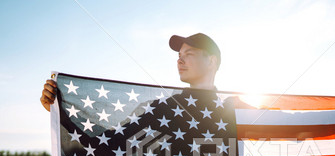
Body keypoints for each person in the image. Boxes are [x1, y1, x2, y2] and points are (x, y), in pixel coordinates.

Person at [40, 33, 221, 111]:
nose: (179, 60)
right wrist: (60, 112)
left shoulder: (233, 111)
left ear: (211, 61)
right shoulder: (165, 108)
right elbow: (106, 147)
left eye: (189, 54)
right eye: (179, 55)